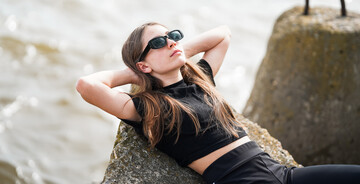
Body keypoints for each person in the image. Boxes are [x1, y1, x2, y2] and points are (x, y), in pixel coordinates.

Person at [76, 22, 360, 184]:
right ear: (143, 64)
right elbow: (87, 86)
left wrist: (175, 52)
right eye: (159, 43)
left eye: (173, 36)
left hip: (283, 175)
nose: (172, 43)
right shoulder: (149, 108)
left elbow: (222, 35)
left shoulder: (201, 80)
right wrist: (137, 72)